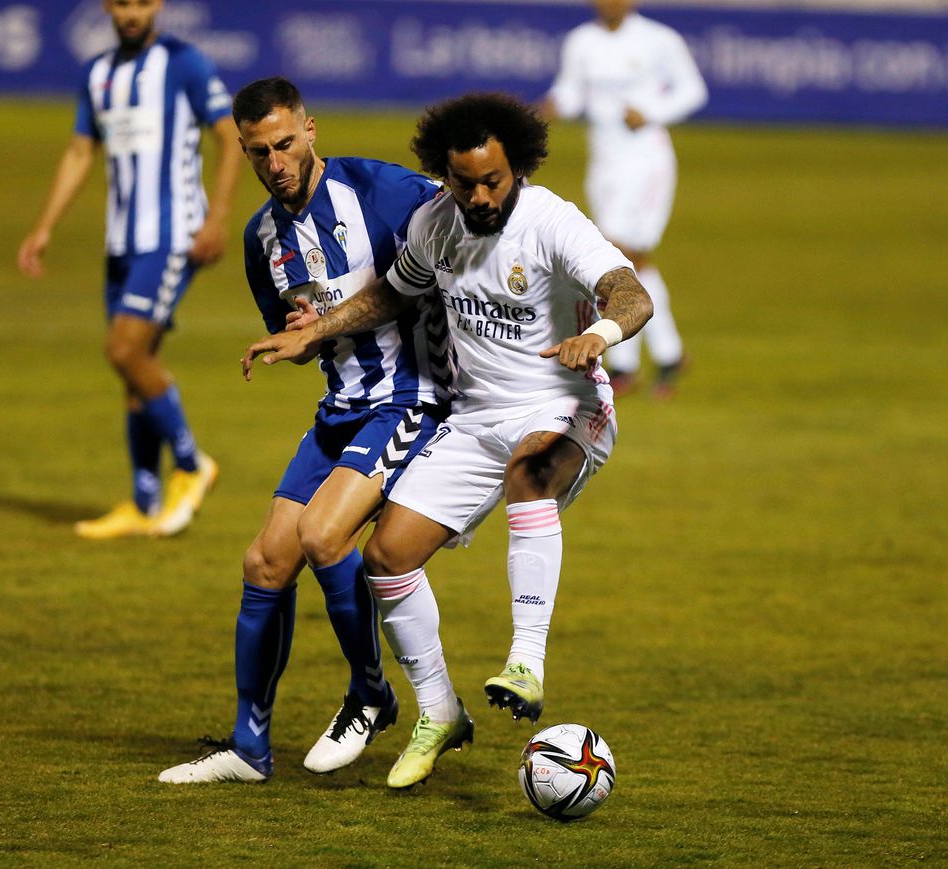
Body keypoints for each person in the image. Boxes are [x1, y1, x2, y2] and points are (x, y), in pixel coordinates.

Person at [245, 92, 653, 789]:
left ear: (515, 168)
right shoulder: (436, 223)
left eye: (493, 180)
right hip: (473, 419)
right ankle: (439, 710)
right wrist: (317, 328)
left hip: (565, 405)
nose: (481, 194)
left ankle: (526, 661)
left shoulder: (551, 220)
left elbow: (631, 294)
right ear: (447, 174)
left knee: (530, 473)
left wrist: (600, 334)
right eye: (466, 182)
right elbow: (393, 293)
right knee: (385, 554)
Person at [158, 77, 449, 784]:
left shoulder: (383, 192)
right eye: (259, 152)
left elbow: (469, 227)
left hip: (410, 395)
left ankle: (372, 693)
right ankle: (249, 747)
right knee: (264, 563)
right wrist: (301, 338)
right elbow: (306, 333)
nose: (276, 161)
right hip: (341, 409)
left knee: (324, 536)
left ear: (311, 131)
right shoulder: (263, 239)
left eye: (285, 143)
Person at [17, 0, 241, 538]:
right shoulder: (98, 73)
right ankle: (145, 504)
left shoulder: (184, 62)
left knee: (124, 350)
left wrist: (217, 217)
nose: (131, 12)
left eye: (141, 2)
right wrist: (44, 226)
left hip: (171, 237)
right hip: (121, 242)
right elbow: (79, 151)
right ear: (108, 7)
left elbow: (229, 136)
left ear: (157, 5)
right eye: (121, 3)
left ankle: (191, 465)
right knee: (134, 369)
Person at [543, 0, 706, 397]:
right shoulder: (581, 41)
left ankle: (632, 363)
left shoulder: (658, 39)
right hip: (604, 161)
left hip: (646, 159)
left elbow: (693, 90)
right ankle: (661, 358)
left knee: (629, 255)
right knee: (621, 259)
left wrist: (652, 111)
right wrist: (550, 108)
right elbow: (571, 92)